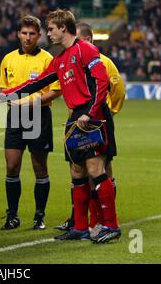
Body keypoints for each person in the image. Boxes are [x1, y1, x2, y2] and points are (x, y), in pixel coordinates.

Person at [0, 9, 120, 243]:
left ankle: (111, 225)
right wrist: (2, 97)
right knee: (77, 172)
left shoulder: (86, 49)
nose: (48, 33)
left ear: (63, 28)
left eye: (50, 28)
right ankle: (80, 227)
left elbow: (102, 82)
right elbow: (35, 83)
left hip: (90, 115)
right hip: (74, 117)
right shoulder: (60, 59)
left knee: (95, 170)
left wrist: (90, 113)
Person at [55, 22, 125, 236]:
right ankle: (81, 222)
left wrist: (108, 113)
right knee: (78, 171)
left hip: (98, 120)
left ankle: (102, 221)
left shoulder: (103, 62)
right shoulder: (67, 60)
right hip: (77, 120)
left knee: (101, 170)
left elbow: (118, 91)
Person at [0, 15, 61, 231]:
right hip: (15, 117)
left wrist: (33, 103)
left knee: (39, 167)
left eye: (32, 33)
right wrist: (6, 100)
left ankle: (39, 216)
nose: (28, 37)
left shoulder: (47, 59)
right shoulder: (8, 59)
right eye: (24, 33)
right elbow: (3, 89)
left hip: (39, 116)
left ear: (39, 35)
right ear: (18, 34)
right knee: (12, 166)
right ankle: (12, 216)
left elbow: (56, 91)